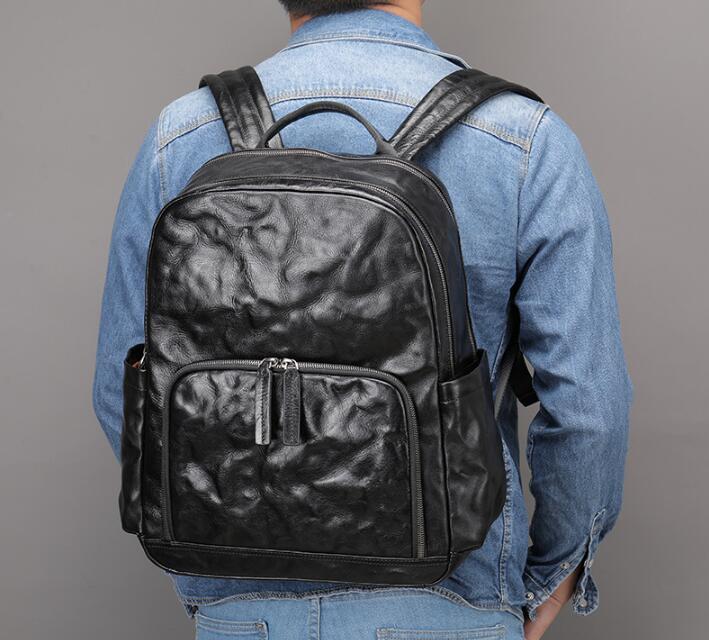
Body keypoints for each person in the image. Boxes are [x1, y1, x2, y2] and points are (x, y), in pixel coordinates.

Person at [93, 1, 632, 638]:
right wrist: (553, 572)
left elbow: (124, 396)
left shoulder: (178, 138)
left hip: (240, 615)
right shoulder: (523, 141)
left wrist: (221, 554)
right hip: (451, 604)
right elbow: (588, 410)